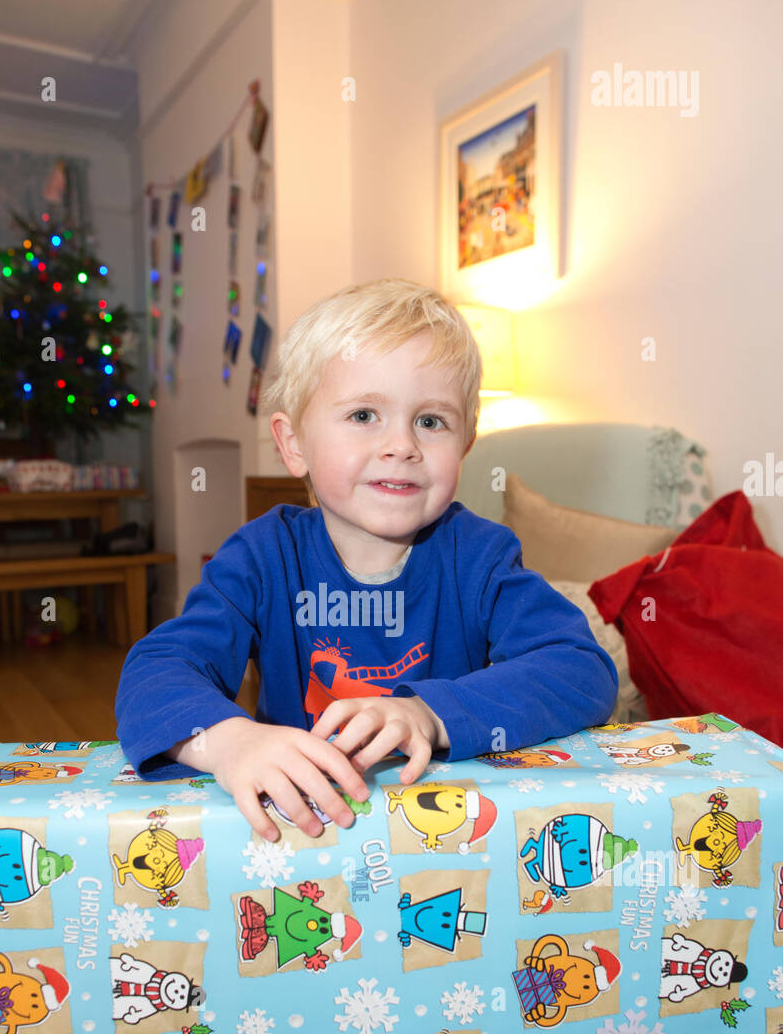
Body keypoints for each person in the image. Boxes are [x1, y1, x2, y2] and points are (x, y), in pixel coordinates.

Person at [116, 278, 617, 841]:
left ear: (467, 443)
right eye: (363, 416)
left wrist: (430, 714)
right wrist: (232, 741)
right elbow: (154, 673)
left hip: (447, 837)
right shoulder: (260, 558)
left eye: (431, 421)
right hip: (301, 835)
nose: (402, 445)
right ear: (293, 444)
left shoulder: (481, 556)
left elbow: (582, 671)